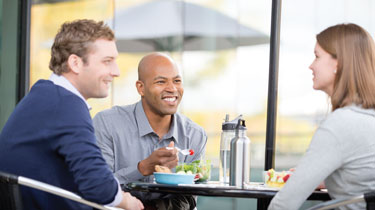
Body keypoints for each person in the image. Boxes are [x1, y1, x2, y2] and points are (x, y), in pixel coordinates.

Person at [0, 19, 143, 210]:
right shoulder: (66, 105)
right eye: (107, 61)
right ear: (75, 63)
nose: (116, 71)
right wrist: (127, 201)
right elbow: (99, 187)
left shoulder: (46, 95)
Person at [268, 23, 375, 210]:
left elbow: (283, 204)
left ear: (338, 63)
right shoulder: (368, 118)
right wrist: (330, 180)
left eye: (317, 57)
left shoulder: (341, 124)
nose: (311, 66)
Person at [93, 52, 207, 210]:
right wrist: (142, 168)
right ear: (141, 88)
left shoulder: (195, 134)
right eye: (161, 81)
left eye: (177, 81)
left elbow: (188, 199)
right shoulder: (107, 124)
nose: (172, 88)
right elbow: (98, 186)